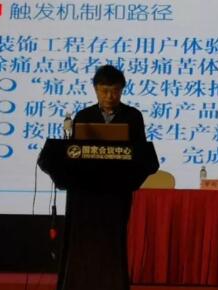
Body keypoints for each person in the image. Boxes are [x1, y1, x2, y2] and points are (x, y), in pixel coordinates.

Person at [57, 65, 146, 290]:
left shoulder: (133, 116)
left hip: (116, 193)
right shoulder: (84, 116)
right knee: (85, 243)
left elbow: (141, 154)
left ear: (122, 90)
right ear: (96, 90)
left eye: (115, 91)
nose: (109, 96)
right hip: (86, 195)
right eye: (104, 90)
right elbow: (74, 153)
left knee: (113, 243)